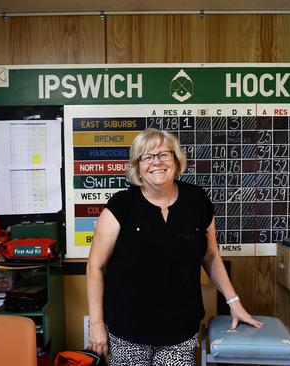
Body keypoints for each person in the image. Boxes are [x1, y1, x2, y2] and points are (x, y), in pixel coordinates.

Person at [87, 128, 262, 366]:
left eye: (163, 155)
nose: (156, 162)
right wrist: (97, 325)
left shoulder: (198, 201)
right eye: (146, 157)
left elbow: (210, 256)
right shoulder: (121, 205)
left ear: (177, 160)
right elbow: (95, 266)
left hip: (180, 330)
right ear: (137, 166)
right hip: (127, 330)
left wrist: (235, 303)